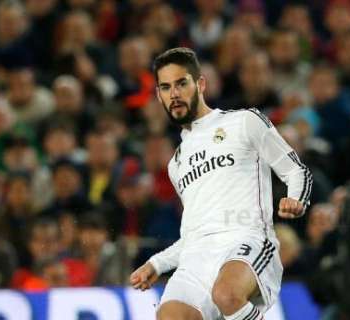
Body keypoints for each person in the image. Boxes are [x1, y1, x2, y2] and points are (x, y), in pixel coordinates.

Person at [130, 47, 312, 320]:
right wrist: (157, 263)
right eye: (166, 88)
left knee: (227, 294)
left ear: (200, 84)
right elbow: (195, 233)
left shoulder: (244, 121)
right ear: (159, 95)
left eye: (181, 83)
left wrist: (295, 198)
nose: (174, 94)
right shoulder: (176, 164)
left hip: (247, 240)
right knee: (169, 316)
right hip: (197, 257)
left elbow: (296, 171)